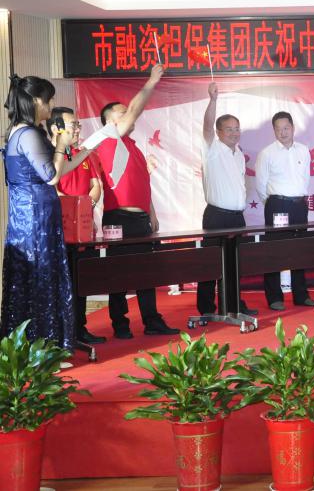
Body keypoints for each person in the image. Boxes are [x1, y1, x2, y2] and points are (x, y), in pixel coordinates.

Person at [1, 75, 94, 349]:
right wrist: (62, 145)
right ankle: (42, 347)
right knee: (40, 278)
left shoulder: (23, 131)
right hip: (34, 219)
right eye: (48, 100)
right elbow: (51, 177)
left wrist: (85, 151)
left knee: (37, 279)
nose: (50, 106)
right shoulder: (27, 134)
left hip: (34, 215)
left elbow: (56, 170)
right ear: (35, 101)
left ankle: (39, 345)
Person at [96, 63, 179, 338]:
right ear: (110, 123)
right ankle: (120, 324)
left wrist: (151, 214)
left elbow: (144, 184)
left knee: (147, 272)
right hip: (118, 219)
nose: (129, 116)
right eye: (122, 114)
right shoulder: (108, 140)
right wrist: (151, 81)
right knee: (118, 274)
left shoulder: (134, 148)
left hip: (140, 219)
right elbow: (134, 109)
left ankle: (152, 321)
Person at [48, 106, 107, 344]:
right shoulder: (50, 155)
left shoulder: (81, 154)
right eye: (73, 125)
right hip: (60, 229)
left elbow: (96, 186)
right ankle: (61, 333)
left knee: (81, 280)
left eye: (78, 125)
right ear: (56, 128)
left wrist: (85, 206)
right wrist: (74, 207)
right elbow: (53, 189)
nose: (77, 129)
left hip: (83, 228)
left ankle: (79, 328)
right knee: (62, 282)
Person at [198, 82, 257, 317]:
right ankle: (206, 309)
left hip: (236, 218)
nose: (234, 133)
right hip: (216, 216)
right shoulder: (211, 149)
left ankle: (233, 305)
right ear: (219, 132)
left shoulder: (239, 154)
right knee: (210, 264)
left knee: (234, 264)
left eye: (237, 129)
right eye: (229, 129)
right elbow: (206, 126)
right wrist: (213, 100)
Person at [255, 111, 314, 310]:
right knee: (276, 251)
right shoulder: (267, 153)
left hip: (299, 206)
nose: (283, 132)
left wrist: (298, 198)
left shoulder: (303, 150)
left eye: (286, 128)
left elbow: (305, 178)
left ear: (293, 128)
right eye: (278, 129)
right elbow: (261, 185)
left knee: (300, 250)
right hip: (278, 206)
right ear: (274, 130)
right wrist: (275, 203)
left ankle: (301, 295)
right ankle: (274, 297)